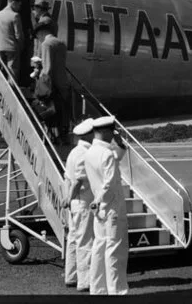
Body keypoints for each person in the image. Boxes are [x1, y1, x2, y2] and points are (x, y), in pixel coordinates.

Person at [84, 116, 129, 296]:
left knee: (99, 248)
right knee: (115, 252)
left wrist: (120, 144)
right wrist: (100, 200)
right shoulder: (107, 153)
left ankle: (98, 289)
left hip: (100, 209)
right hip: (111, 208)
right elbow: (109, 184)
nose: (113, 134)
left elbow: (114, 159)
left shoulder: (90, 152)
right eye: (111, 131)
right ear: (103, 131)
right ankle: (117, 292)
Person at [62, 117, 96, 292]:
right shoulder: (85, 153)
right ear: (89, 135)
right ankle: (85, 281)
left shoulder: (74, 152)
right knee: (85, 241)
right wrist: (71, 197)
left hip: (75, 203)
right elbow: (78, 181)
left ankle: (71, 276)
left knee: (74, 240)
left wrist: (68, 199)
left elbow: (68, 178)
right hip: (82, 201)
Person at [0, 0, 33, 87]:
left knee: (1, 64)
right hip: (16, 37)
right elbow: (27, 15)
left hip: (2, 38)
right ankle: (15, 84)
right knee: (15, 66)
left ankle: (1, 83)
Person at [39, 32, 72, 143]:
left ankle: (52, 139)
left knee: (50, 113)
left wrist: (41, 82)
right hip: (63, 82)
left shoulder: (46, 44)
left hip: (53, 85)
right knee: (63, 113)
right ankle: (64, 138)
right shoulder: (61, 43)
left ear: (41, 33)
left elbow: (47, 68)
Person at [0, 0, 24, 80]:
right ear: (13, 2)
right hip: (12, 48)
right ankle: (11, 90)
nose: (19, 6)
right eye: (18, 4)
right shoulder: (15, 16)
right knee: (12, 71)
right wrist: (21, 46)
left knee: (1, 70)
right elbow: (18, 35)